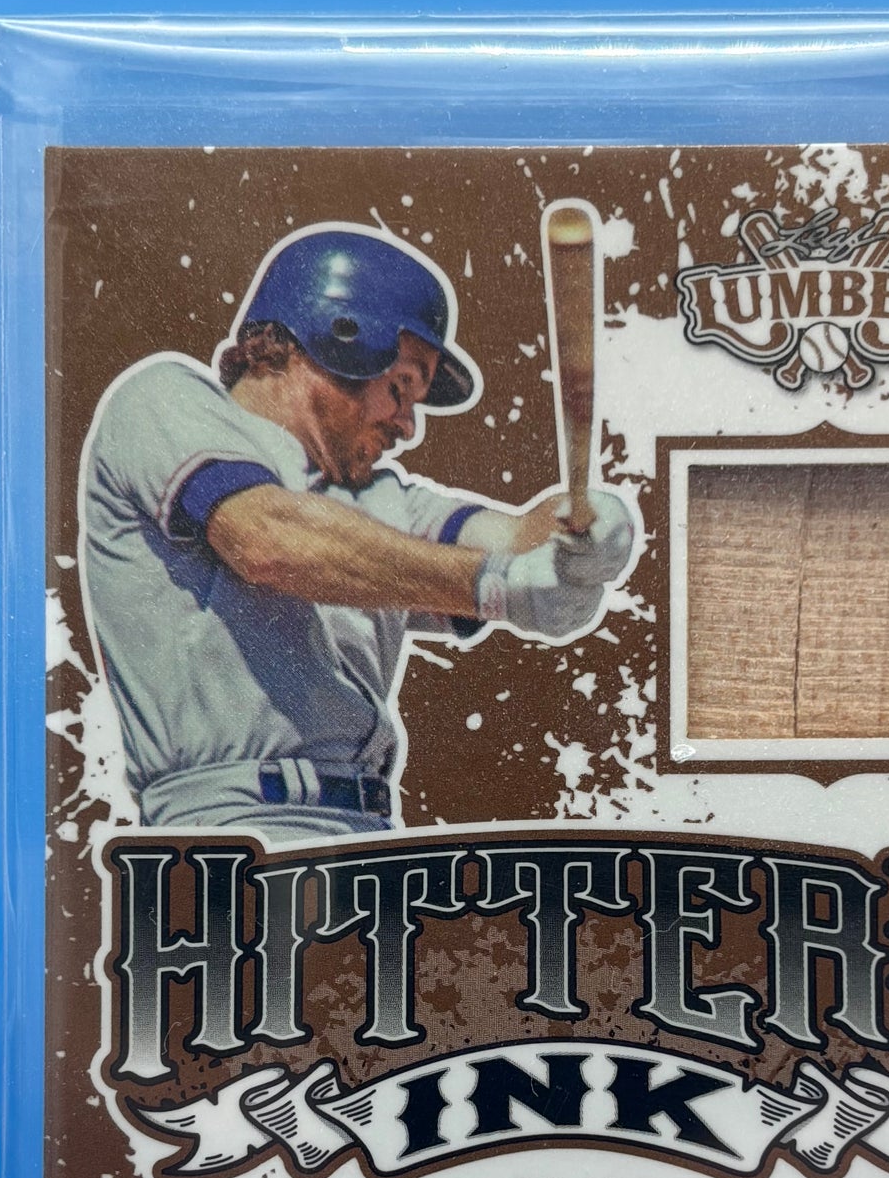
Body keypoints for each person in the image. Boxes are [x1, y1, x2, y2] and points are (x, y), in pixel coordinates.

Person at [79, 222, 634, 839]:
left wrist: (581, 529)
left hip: (365, 829)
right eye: (402, 387)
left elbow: (510, 537)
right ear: (338, 338)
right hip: (234, 831)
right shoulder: (164, 399)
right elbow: (267, 539)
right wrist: (500, 585)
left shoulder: (373, 499)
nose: (408, 425)